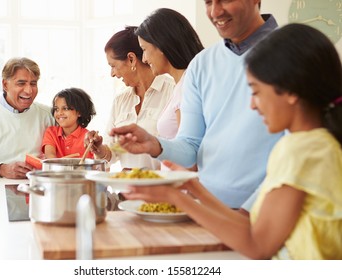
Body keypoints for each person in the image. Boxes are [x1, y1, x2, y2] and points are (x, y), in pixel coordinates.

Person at [124, 23, 342, 259]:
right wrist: (194, 188)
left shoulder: (301, 150)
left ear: (289, 92)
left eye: (256, 92)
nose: (252, 105)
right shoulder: (318, 144)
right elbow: (249, 225)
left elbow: (258, 245)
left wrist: (175, 197)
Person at [111, 0, 283, 211]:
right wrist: (155, 145)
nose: (215, 11)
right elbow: (191, 147)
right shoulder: (202, 64)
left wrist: (249, 210)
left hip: (268, 211)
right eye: (208, 2)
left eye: (226, 0)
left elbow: (304, 148)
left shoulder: (295, 52)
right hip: (209, 210)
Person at [86, 26, 175, 171]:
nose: (112, 74)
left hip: (162, 189)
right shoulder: (121, 100)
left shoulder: (172, 91)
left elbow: (182, 151)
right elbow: (113, 153)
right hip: (128, 190)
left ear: (131, 59)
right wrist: (99, 148)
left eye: (113, 66)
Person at [135, 8, 204, 140]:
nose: (144, 59)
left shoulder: (186, 87)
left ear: (161, 46)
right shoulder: (181, 84)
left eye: (144, 49)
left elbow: (189, 152)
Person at [42, 87, 96, 159]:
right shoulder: (51, 132)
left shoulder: (88, 138)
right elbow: (50, 157)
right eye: (56, 109)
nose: (59, 113)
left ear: (79, 112)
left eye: (66, 108)